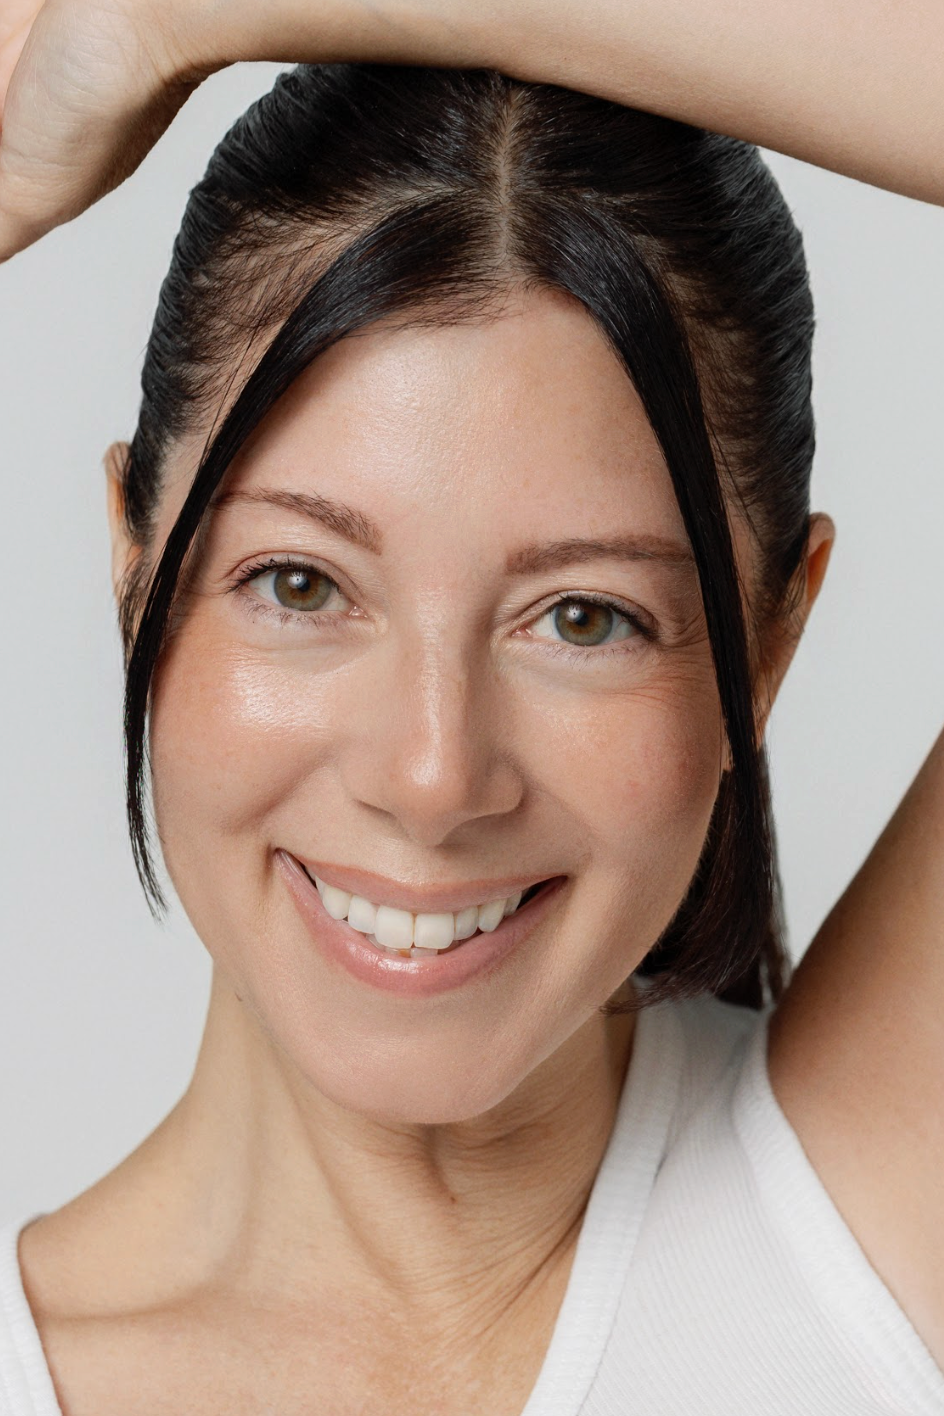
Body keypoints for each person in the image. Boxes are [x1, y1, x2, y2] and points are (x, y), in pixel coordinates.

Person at [0, 4, 941, 1414]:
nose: (434, 776)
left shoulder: (873, 1224)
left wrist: (177, 13)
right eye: (302, 585)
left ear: (767, 643)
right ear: (137, 575)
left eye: (584, 618)